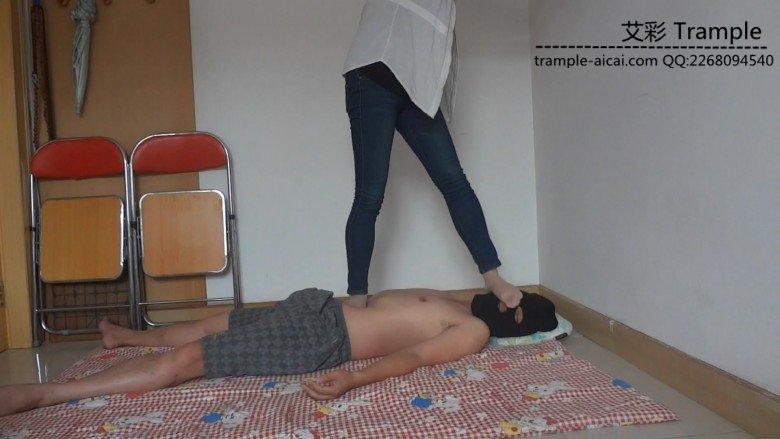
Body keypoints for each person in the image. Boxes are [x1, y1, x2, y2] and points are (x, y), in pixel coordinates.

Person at [0, 287, 557, 416]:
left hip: (320, 339)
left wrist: (354, 380)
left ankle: (46, 393)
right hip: (314, 307)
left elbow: (412, 359)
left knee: (194, 358)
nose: (504, 294)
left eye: (515, 300)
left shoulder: (472, 330)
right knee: (211, 323)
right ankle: (125, 338)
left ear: (516, 315)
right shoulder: (459, 298)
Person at [342, 0, 521, 309]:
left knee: (455, 182)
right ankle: (357, 298)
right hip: (371, 78)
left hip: (417, 87)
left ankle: (492, 276)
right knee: (370, 195)